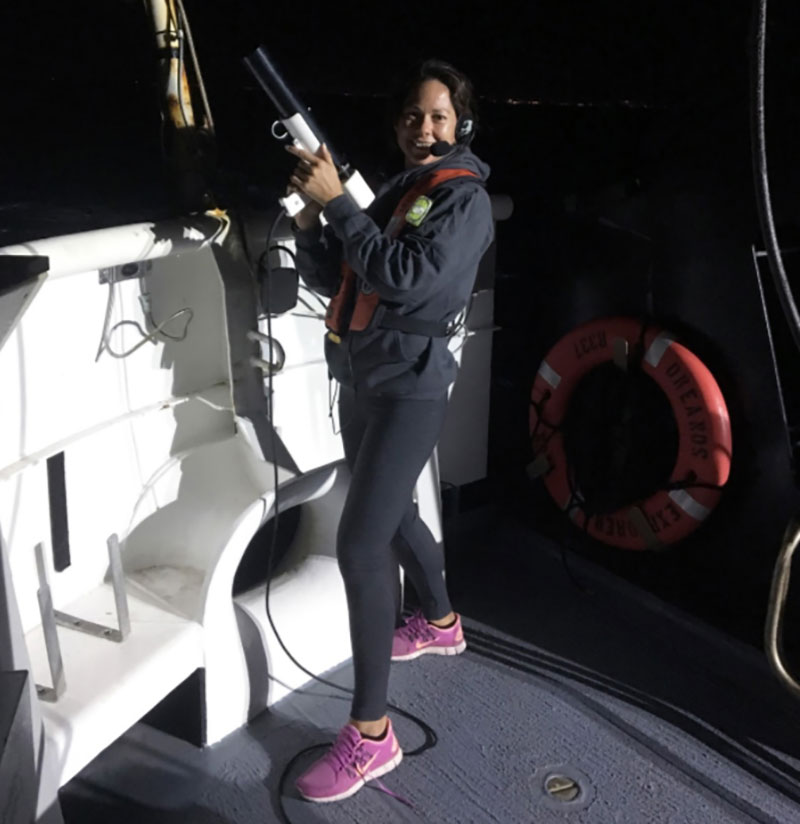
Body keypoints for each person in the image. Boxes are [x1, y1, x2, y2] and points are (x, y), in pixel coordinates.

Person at [286, 58, 494, 804]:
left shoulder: (462, 202)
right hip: (364, 380)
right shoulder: (399, 192)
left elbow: (406, 279)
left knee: (360, 541)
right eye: (412, 116)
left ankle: (372, 736)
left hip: (411, 388)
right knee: (394, 511)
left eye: (438, 116)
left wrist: (340, 203)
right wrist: (318, 223)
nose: (424, 128)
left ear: (461, 125)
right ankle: (440, 621)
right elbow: (339, 273)